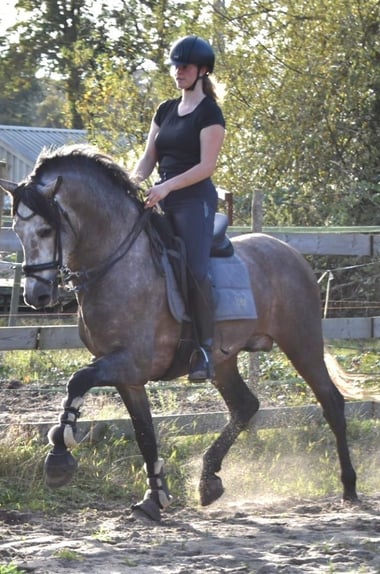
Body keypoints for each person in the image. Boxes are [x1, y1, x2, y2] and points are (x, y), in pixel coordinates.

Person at [131, 35, 226, 381]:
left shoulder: (210, 113)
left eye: (184, 66)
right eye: (175, 66)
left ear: (202, 71)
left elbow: (206, 167)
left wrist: (166, 186)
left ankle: (203, 348)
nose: (178, 72)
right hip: (160, 194)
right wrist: (132, 181)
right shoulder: (165, 110)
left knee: (196, 270)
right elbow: (148, 157)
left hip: (194, 200)